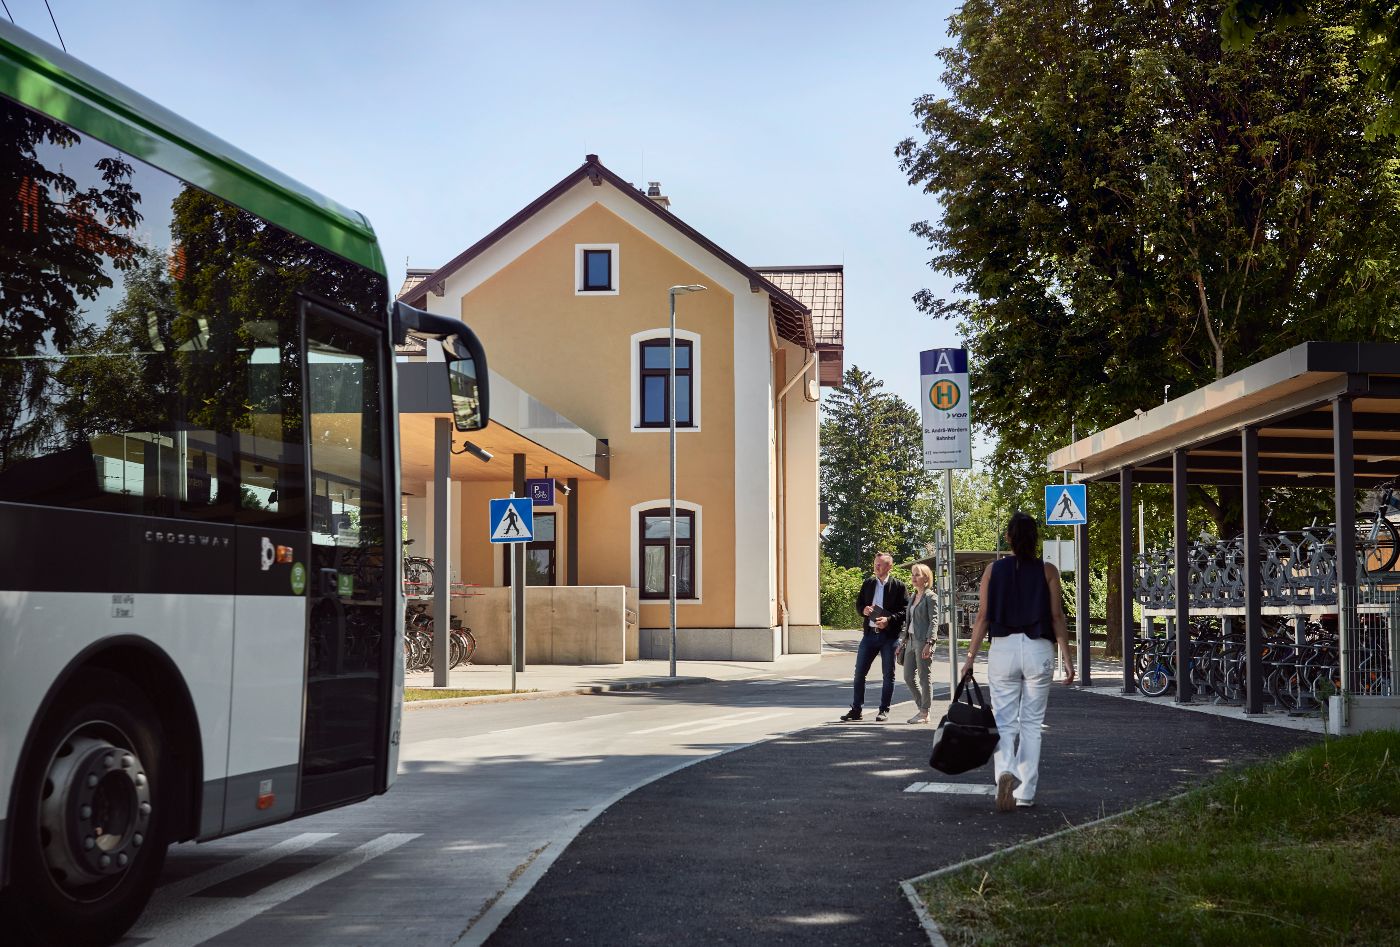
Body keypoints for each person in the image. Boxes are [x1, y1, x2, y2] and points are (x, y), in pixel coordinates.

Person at [960, 512, 1074, 811]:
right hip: (1038, 650)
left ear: (1008, 537)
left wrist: (970, 657)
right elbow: (1057, 616)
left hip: (1003, 650)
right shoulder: (1048, 571)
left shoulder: (992, 571)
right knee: (1032, 724)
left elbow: (983, 617)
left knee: (1005, 722)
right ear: (1035, 539)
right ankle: (1025, 794)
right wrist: (1067, 657)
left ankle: (1004, 773)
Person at [842, 551, 907, 722]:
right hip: (870, 635)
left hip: (889, 637)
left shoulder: (899, 586)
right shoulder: (868, 583)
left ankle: (883, 710)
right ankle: (856, 710)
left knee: (888, 675)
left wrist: (889, 620)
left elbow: (906, 611)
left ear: (889, 566)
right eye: (875, 563)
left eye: (880, 564)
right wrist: (863, 610)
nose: (876, 567)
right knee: (859, 674)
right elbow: (859, 605)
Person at [900, 563, 937, 723]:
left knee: (924, 677)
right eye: (913, 574)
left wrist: (930, 642)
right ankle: (922, 708)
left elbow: (934, 621)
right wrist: (903, 641)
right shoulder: (913, 597)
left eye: (917, 575)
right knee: (908, 677)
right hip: (910, 640)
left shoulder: (930, 597)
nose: (913, 577)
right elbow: (909, 621)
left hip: (923, 641)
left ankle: (924, 712)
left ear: (926, 578)